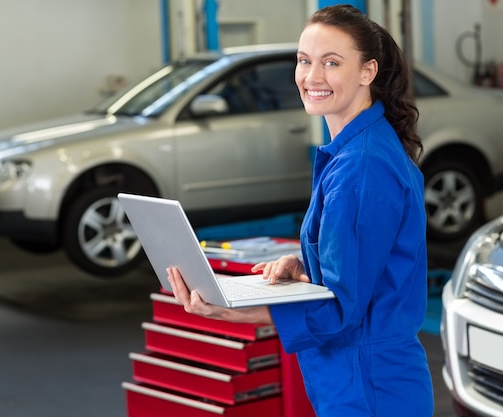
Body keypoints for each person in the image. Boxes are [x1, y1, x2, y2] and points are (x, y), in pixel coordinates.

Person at [167, 4, 434, 416]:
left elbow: (342, 309)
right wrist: (309, 269)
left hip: (369, 386)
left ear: (368, 72)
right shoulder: (358, 151)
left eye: (331, 62)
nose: (312, 77)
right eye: (304, 61)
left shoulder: (361, 167)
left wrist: (237, 311)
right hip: (361, 378)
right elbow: (368, 271)